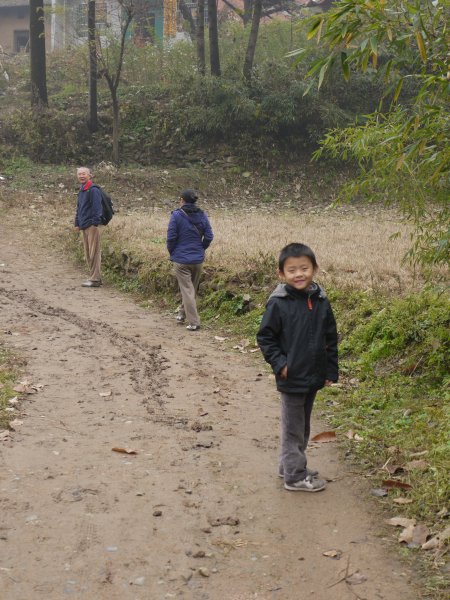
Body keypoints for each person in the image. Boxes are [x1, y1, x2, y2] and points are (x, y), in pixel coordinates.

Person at [257, 243, 338, 492]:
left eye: (304, 268)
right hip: (292, 376)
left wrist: (330, 371)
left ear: (314, 269)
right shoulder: (279, 303)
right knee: (294, 429)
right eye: (292, 270)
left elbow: (330, 337)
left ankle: (288, 466)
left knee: (302, 426)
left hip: (313, 375)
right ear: (282, 274)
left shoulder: (321, 300)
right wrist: (281, 364)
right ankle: (295, 476)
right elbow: (265, 338)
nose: (299, 274)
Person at [166, 189, 214, 331]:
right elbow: (209, 236)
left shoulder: (176, 216)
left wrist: (173, 252)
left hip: (181, 260)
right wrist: (201, 248)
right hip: (197, 260)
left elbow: (171, 238)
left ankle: (194, 322)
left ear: (182, 200)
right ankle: (182, 314)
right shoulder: (202, 215)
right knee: (191, 289)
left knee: (187, 290)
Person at [74, 167, 103, 288]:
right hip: (84, 225)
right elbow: (79, 208)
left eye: (84, 174)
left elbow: (97, 208)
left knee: (94, 252)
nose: (81, 176)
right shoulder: (82, 190)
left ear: (89, 175)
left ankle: (95, 279)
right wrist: (77, 223)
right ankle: (93, 277)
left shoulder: (93, 190)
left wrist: (94, 224)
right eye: (79, 174)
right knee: (88, 253)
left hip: (92, 225)